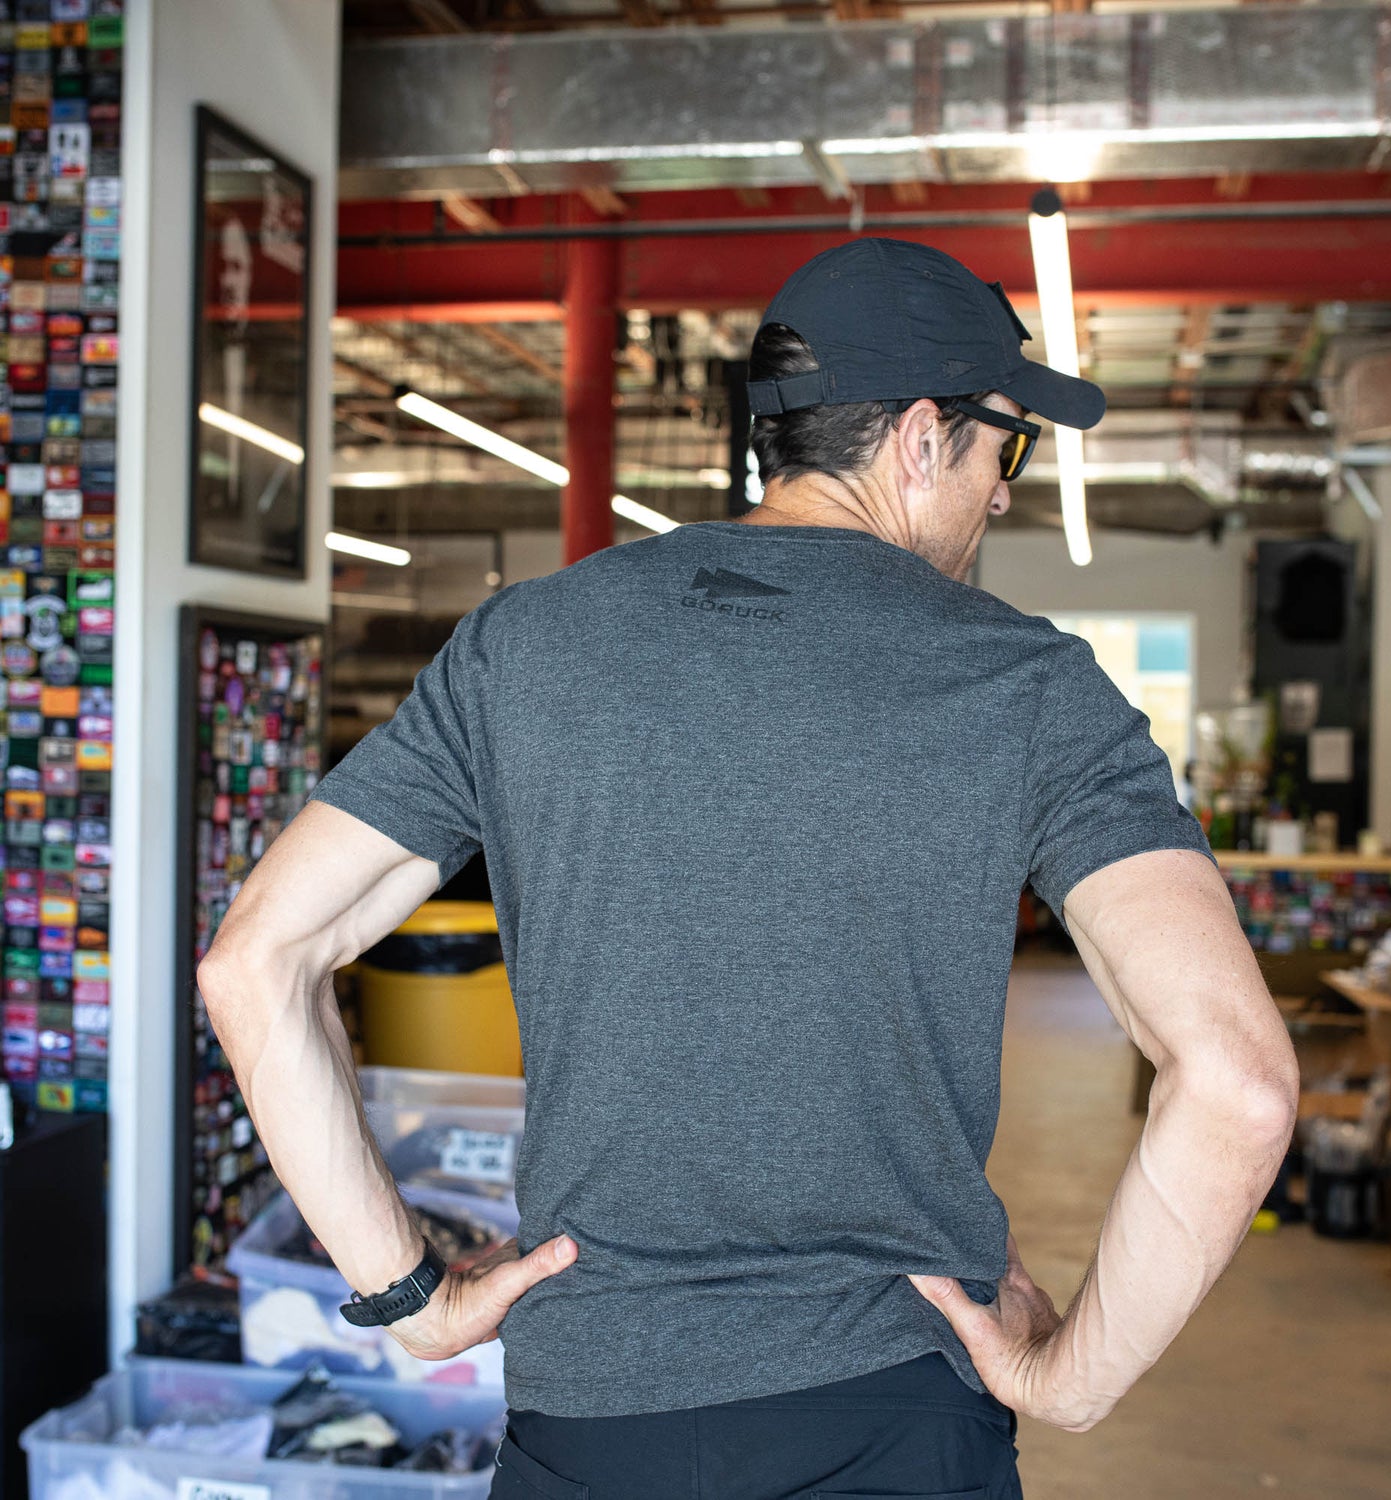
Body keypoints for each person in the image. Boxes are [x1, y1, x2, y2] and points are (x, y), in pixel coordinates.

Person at [198, 239, 1298, 1499]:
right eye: (1010, 449)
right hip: (895, 1416)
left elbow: (255, 965)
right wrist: (1074, 1381)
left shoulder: (523, 648)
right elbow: (1240, 1084)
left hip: (590, 1423)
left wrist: (408, 1298)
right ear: (923, 438)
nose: (1003, 496)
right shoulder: (1030, 687)